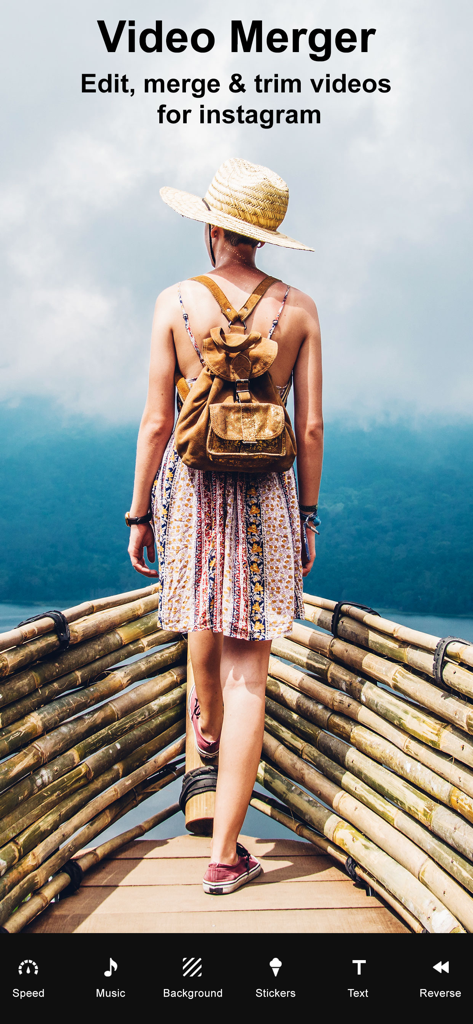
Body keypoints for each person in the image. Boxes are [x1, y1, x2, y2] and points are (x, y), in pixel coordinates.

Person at [126, 158, 323, 894]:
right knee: (251, 675)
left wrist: (140, 509)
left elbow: (156, 422)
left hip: (195, 492)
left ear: (212, 225)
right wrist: (304, 518)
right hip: (268, 495)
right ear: (264, 237)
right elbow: (309, 430)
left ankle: (201, 727)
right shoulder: (298, 309)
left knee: (202, 619)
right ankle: (225, 856)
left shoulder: (173, 302)